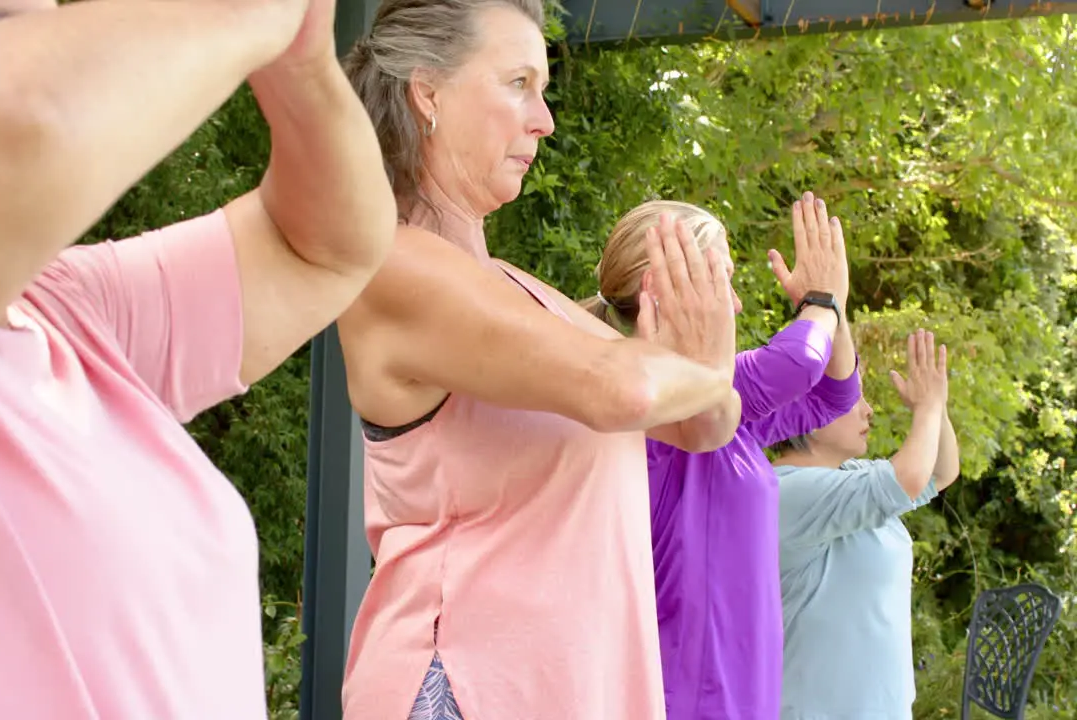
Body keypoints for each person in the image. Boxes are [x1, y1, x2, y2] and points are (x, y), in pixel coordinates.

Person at [0, 0, 396, 717]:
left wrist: (298, 62)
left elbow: (326, 245)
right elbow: (10, 123)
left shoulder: (65, 310)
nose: (58, 56)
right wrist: (248, 11)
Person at [335, 1, 747, 718]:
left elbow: (703, 425)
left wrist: (697, 374)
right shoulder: (394, 268)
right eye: (519, 82)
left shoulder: (524, 295)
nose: (544, 120)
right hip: (461, 686)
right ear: (427, 94)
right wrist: (698, 367)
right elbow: (626, 391)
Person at [583, 195, 860, 719]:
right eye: (721, 279)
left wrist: (832, 310)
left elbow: (832, 395)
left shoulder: (717, 405)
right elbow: (798, 363)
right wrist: (823, 301)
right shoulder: (652, 397)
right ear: (659, 289)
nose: (734, 302)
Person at [772, 329, 962, 720]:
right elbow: (906, 478)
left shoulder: (848, 476)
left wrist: (935, 405)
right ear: (805, 409)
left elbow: (940, 472)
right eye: (851, 397)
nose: (867, 409)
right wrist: (925, 411)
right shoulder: (786, 490)